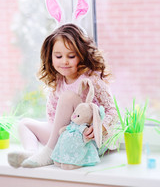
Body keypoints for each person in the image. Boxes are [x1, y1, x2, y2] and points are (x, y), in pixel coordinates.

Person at [8, 23, 118, 168]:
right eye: (58, 56)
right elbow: (53, 118)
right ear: (50, 57)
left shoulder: (91, 78)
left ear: (82, 55)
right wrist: (61, 133)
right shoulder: (58, 82)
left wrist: (100, 128)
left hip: (88, 138)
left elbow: (112, 111)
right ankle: (32, 153)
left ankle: (50, 151)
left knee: (68, 97)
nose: (64, 61)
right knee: (24, 124)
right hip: (65, 135)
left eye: (71, 56)